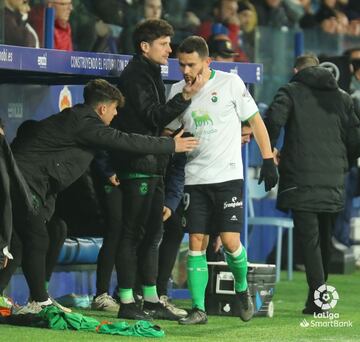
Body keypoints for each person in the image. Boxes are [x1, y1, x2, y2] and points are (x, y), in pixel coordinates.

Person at [0, 78, 198, 314]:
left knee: (20, 244)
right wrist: (169, 145)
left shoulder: (78, 121)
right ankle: (39, 301)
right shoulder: (86, 123)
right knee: (37, 237)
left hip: (24, 182)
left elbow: (51, 168)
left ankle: (35, 299)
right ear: (103, 108)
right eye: (114, 109)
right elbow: (125, 141)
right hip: (20, 182)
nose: (115, 115)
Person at [96, 19, 203, 321]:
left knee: (153, 233)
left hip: (153, 163)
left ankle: (152, 298)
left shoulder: (152, 73)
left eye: (170, 44)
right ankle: (128, 301)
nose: (170, 50)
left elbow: (154, 120)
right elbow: (152, 115)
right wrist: (184, 97)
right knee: (132, 234)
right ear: (145, 47)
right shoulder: (136, 75)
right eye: (164, 44)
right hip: (137, 164)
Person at [166, 36, 278, 325]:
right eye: (182, 64)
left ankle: (242, 289)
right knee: (196, 242)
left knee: (230, 242)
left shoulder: (230, 83)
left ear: (207, 62)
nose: (186, 70)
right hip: (195, 179)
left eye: (191, 64)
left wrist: (267, 159)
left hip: (227, 177)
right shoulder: (177, 92)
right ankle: (199, 309)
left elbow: (255, 121)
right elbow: (166, 133)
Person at [265, 54, 360, 315]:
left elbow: (273, 119)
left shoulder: (291, 91)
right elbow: (356, 139)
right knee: (325, 241)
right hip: (334, 179)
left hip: (301, 177)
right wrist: (344, 165)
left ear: (296, 70)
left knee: (310, 241)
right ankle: (315, 300)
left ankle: (319, 302)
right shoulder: (342, 98)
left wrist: (268, 151)